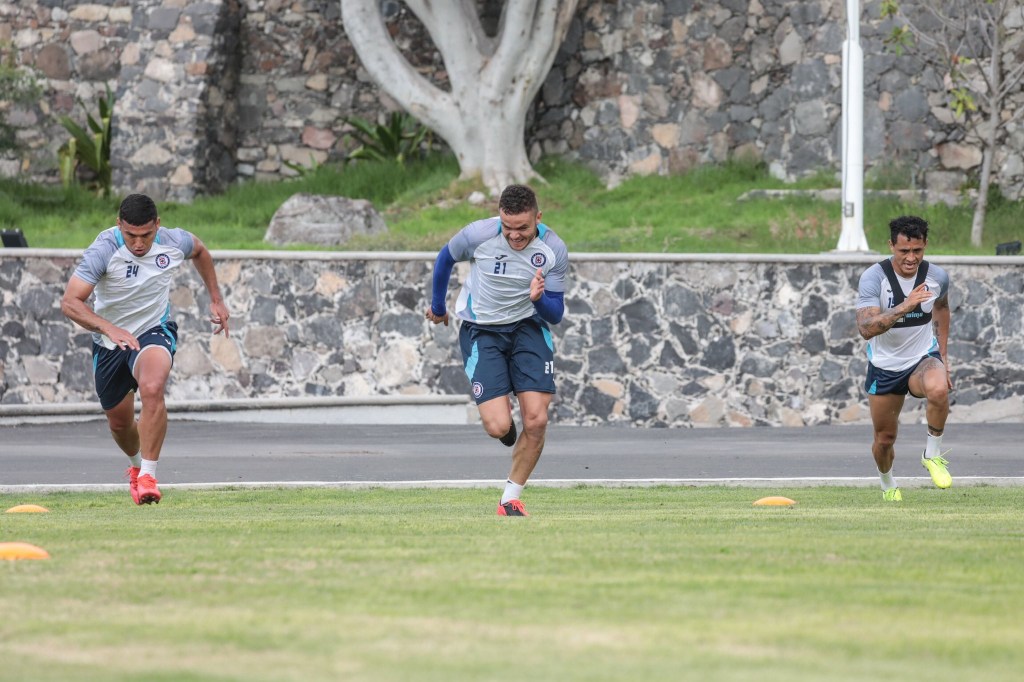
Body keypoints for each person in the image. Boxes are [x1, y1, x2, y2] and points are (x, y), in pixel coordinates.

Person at [61, 193, 230, 505]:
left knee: (153, 387)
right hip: (109, 341)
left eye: (146, 235)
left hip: (153, 330)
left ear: (157, 226)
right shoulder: (104, 249)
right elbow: (70, 302)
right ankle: (137, 466)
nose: (138, 244)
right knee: (119, 423)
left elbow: (200, 251)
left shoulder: (172, 241)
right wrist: (109, 328)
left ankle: (149, 477)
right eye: (131, 236)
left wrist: (216, 299)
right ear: (119, 226)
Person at [425, 184, 569, 516]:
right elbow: (445, 259)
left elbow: (556, 314)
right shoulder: (478, 235)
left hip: (528, 328)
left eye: (523, 228)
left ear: (538, 218)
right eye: (508, 227)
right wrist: (438, 306)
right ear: (499, 217)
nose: (514, 235)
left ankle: (510, 499)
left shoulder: (554, 249)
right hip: (482, 331)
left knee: (537, 420)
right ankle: (506, 429)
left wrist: (538, 299)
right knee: (498, 427)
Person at [855, 215, 952, 502]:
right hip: (885, 367)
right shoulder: (874, 278)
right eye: (904, 251)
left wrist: (943, 357)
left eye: (917, 250)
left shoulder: (937, 277)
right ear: (891, 246)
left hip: (922, 358)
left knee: (939, 389)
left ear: (925, 245)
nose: (911, 258)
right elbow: (866, 329)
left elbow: (942, 308)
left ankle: (932, 455)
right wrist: (905, 306)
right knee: (884, 440)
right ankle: (888, 484)